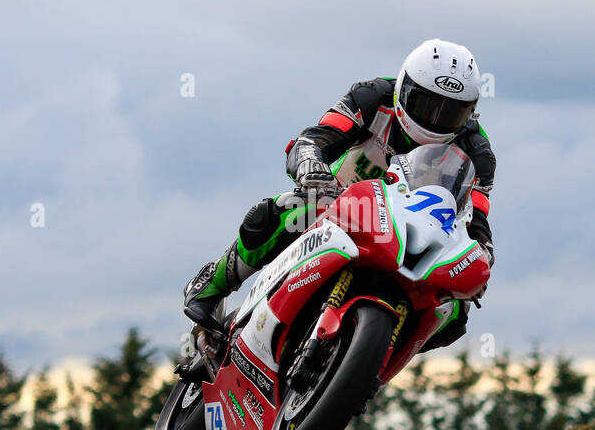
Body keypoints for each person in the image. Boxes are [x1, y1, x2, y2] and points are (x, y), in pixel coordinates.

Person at [182, 38, 496, 350]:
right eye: (427, 105)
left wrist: (482, 255)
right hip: (345, 206)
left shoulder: (477, 150)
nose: (434, 120)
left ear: (468, 113)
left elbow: (476, 220)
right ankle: (213, 284)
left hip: (414, 238)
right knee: (285, 211)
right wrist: (309, 162)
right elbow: (314, 139)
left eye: (450, 112)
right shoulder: (373, 96)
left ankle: (369, 366)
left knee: (454, 313)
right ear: (404, 89)